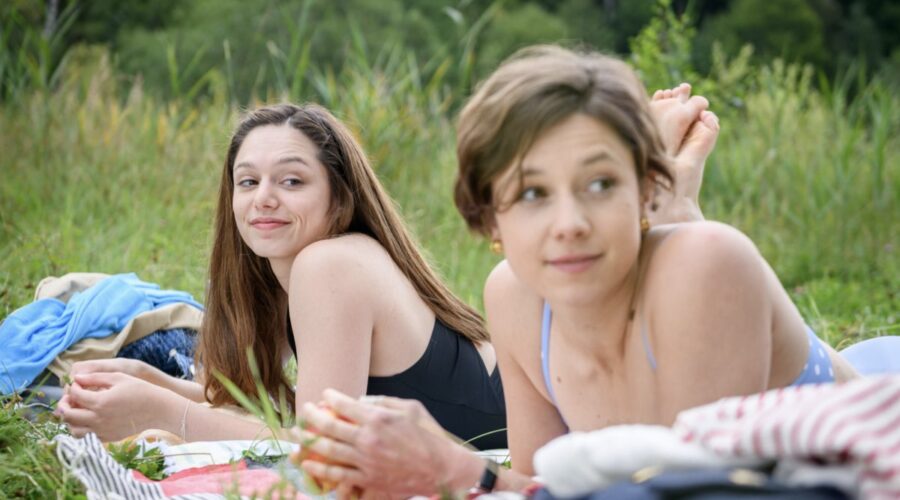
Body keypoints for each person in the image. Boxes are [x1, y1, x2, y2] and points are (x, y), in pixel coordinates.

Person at [294, 45, 860, 497]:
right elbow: (541, 486)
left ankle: (676, 209)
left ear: (642, 191)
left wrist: (454, 466)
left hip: (859, 453)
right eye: (534, 192)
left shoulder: (708, 266)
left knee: (690, 244)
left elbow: (689, 493)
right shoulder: (514, 297)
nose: (569, 224)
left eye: (599, 184)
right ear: (490, 219)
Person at [56, 103, 507, 449]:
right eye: (248, 182)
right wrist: (145, 380)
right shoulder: (278, 273)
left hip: (509, 443)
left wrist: (161, 412)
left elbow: (315, 448)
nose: (264, 199)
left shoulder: (331, 265)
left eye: (291, 182)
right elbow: (249, 407)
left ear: (339, 197)